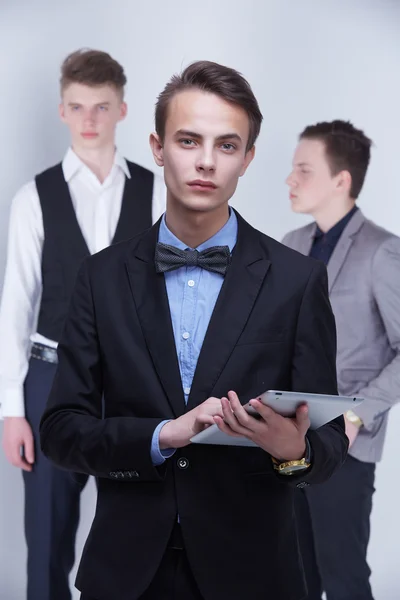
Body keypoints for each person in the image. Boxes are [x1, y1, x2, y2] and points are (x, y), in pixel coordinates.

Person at [40, 61, 348, 600]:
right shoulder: (101, 277)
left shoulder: (298, 281)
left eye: (227, 146)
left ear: (248, 158)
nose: (206, 162)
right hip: (124, 574)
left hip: (255, 575)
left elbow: (326, 442)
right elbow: (63, 431)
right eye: (188, 140)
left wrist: (292, 449)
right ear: (158, 148)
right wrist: (165, 435)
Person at [0, 48, 165, 600]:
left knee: (142, 531)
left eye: (101, 106)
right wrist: (11, 412)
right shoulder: (33, 199)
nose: (89, 119)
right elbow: (15, 308)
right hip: (49, 382)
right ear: (62, 111)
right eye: (78, 107)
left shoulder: (158, 192)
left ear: (122, 110)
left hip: (135, 383)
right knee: (47, 537)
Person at [283, 119, 400, 600]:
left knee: (343, 576)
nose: (289, 179)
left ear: (341, 180)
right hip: (287, 439)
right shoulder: (290, 245)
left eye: (303, 170)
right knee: (293, 574)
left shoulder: (382, 251)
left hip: (348, 445)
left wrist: (357, 412)